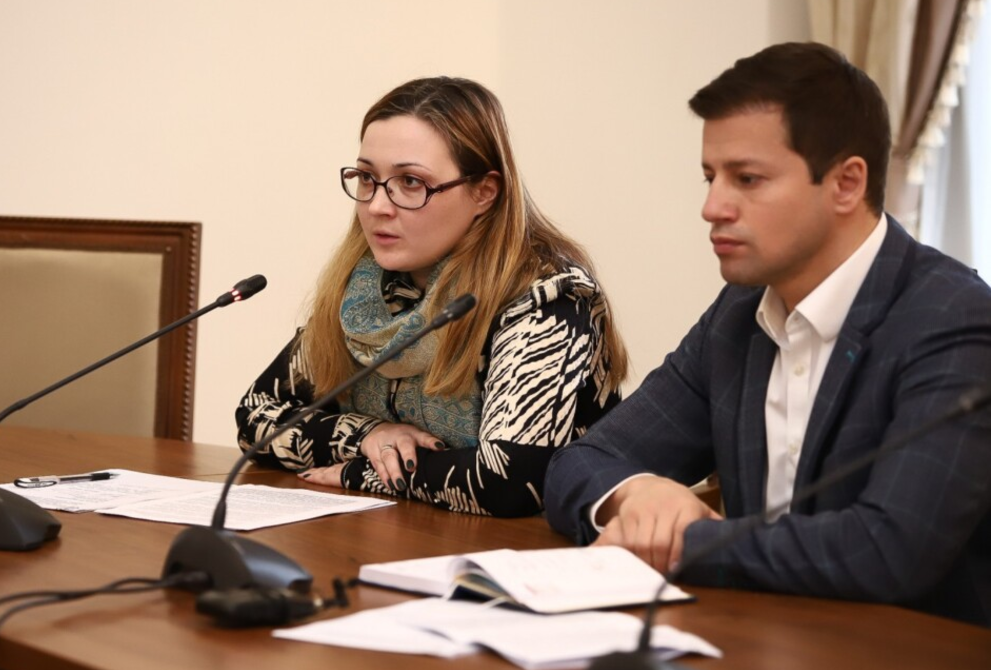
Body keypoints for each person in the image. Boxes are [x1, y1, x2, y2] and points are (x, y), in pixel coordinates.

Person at [545, 42, 991, 626]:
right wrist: (636, 495)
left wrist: (684, 542)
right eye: (710, 177)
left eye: (747, 179)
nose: (712, 207)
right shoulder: (739, 313)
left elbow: (887, 550)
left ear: (846, 183)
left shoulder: (953, 317)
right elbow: (583, 460)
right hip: (753, 637)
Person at [236, 76, 627, 517]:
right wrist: (368, 435)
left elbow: (506, 481)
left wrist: (358, 473)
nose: (377, 206)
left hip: (528, 551)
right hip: (396, 533)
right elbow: (255, 416)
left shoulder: (547, 299)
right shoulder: (364, 291)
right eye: (367, 178)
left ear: (484, 192)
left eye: (410, 182)